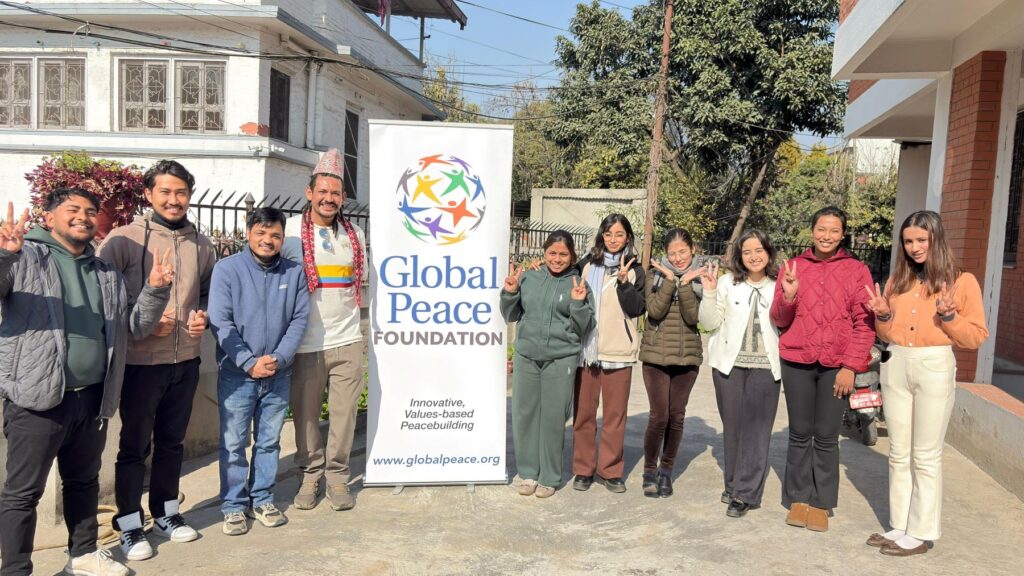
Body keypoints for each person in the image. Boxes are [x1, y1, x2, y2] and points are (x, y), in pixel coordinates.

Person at [0, 190, 170, 576]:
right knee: (23, 492)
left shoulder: (104, 271)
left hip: (93, 396)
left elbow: (133, 327)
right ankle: (14, 570)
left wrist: (156, 290)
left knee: (83, 481)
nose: (83, 217)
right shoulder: (25, 256)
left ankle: (83, 555)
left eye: (90, 211)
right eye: (72, 210)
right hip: (38, 397)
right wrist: (5, 253)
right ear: (48, 216)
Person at [98, 160, 216, 561]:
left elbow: (205, 292)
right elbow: (104, 301)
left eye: (181, 192)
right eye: (165, 191)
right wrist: (143, 323)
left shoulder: (202, 244)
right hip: (140, 364)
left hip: (186, 361)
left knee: (173, 442)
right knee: (134, 447)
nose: (173, 199)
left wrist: (202, 316)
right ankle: (129, 523)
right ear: (148, 194)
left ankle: (167, 511)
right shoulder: (122, 240)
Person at [863, 210, 987, 557]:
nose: (915, 247)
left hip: (934, 365)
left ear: (936, 239)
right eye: (908, 241)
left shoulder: (963, 282)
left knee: (926, 454)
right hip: (897, 363)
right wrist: (883, 316)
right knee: (899, 452)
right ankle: (900, 524)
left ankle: (921, 532)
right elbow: (885, 334)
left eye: (921, 240)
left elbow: (975, 337)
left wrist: (949, 316)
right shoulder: (897, 281)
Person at [769, 206, 875, 532]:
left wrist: (851, 367)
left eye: (833, 231)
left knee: (827, 436)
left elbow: (865, 323)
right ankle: (798, 497)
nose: (826, 236)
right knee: (799, 434)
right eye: (821, 229)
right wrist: (788, 296)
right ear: (812, 230)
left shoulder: (857, 271)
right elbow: (778, 319)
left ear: (842, 235)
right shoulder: (794, 266)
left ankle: (821, 502)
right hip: (797, 362)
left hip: (836, 366)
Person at [208, 208, 309, 536]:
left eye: (275, 235)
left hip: (278, 373)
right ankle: (234, 505)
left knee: (269, 442)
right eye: (261, 233)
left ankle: (262, 497)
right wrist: (249, 361)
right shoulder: (227, 270)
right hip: (237, 375)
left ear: (282, 238)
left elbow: (299, 320)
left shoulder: (294, 273)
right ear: (248, 232)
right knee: (234, 442)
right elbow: (221, 321)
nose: (268, 240)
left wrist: (278, 358)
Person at [280, 148, 368, 512]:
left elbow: (361, 285)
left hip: (347, 338)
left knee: (345, 417)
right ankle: (310, 473)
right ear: (309, 192)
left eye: (336, 193)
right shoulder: (287, 233)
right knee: (305, 418)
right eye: (324, 191)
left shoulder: (355, 234)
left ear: (342, 198)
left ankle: (337, 477)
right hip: (305, 342)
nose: (329, 198)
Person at [500, 232, 594, 498]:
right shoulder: (530, 276)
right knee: (525, 415)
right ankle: (528, 473)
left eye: (563, 254)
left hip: (560, 358)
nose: (557, 259)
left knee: (553, 418)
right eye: (552, 253)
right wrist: (509, 293)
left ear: (572, 256)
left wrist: (578, 303)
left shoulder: (578, 283)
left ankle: (550, 476)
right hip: (527, 355)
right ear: (544, 253)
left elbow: (585, 326)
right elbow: (510, 314)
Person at [699, 229, 782, 518]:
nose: (754, 256)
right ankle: (733, 483)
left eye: (759, 250)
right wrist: (709, 293)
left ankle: (746, 493)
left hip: (765, 366)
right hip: (728, 365)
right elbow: (709, 323)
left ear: (769, 253)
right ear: (739, 256)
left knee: (757, 431)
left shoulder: (780, 285)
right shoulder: (726, 283)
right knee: (733, 427)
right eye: (747, 251)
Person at [572, 213, 645, 493]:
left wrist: (625, 283)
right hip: (587, 352)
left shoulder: (636, 270)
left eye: (619, 234)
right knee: (584, 414)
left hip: (619, 352)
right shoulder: (586, 266)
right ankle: (583, 469)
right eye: (609, 234)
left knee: (615, 416)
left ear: (628, 238)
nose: (613, 240)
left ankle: (610, 471)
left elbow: (637, 308)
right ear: (601, 236)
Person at [638, 228, 705, 498]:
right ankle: (649, 471)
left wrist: (686, 284)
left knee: (676, 417)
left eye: (683, 252)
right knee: (658, 417)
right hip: (655, 356)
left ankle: (666, 471)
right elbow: (654, 311)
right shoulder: (654, 274)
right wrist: (668, 281)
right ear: (665, 253)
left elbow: (693, 317)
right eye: (672, 253)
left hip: (687, 357)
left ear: (692, 251)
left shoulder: (700, 278)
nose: (677, 258)